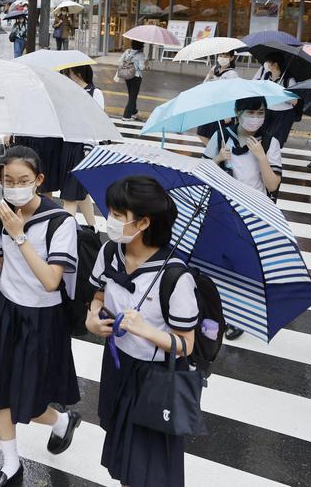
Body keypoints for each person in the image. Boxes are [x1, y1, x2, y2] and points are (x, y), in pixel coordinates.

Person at [0, 146, 82, 486]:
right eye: (7, 180)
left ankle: (61, 420)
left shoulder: (61, 222)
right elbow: (1, 268)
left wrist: (19, 235)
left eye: (23, 180)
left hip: (41, 320)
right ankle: (10, 465)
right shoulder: (1, 214)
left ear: (39, 180)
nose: (14, 186)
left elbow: (50, 281)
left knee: (30, 401)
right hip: (5, 310)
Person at [86, 175, 199, 487]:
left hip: (154, 379)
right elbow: (97, 298)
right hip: (118, 366)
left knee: (147, 468)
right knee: (123, 453)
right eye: (110, 212)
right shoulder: (110, 252)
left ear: (144, 223)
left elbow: (185, 344)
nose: (110, 221)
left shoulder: (176, 277)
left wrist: (147, 331)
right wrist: (93, 319)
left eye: (118, 216)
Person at [202, 96, 281, 341]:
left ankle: (238, 317)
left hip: (253, 213)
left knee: (246, 268)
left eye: (261, 113)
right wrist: (217, 159)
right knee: (219, 266)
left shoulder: (269, 142)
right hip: (223, 212)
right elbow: (204, 174)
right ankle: (217, 312)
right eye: (251, 112)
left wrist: (261, 157)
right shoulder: (221, 137)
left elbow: (273, 184)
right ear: (237, 112)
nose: (256, 118)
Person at [59, 64, 104, 228]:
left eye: (68, 73)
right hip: (67, 146)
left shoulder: (95, 93)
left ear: (77, 73)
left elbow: (97, 123)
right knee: (80, 192)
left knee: (70, 196)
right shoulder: (67, 93)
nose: (66, 76)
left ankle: (63, 234)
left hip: (83, 149)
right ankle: (93, 228)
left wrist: (89, 149)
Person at [196, 51, 239, 145]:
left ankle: (219, 156)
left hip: (223, 110)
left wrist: (228, 112)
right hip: (211, 107)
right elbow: (204, 87)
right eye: (220, 55)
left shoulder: (232, 74)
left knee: (221, 137)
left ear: (231, 58)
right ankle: (214, 154)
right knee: (202, 133)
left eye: (226, 55)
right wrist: (210, 77)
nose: (222, 57)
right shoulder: (214, 69)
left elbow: (233, 94)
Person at [258, 53, 298, 146]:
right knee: (264, 138)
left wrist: (280, 94)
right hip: (268, 111)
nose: (265, 64)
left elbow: (295, 101)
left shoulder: (288, 80)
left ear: (275, 64)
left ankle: (272, 159)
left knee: (275, 141)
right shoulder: (266, 76)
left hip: (283, 114)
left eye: (268, 62)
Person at [120, 40, 146, 121]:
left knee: (131, 95)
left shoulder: (127, 51)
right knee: (133, 96)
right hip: (136, 77)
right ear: (141, 46)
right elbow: (142, 68)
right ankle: (126, 116)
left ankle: (134, 112)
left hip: (127, 75)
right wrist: (146, 64)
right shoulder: (141, 55)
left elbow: (121, 60)